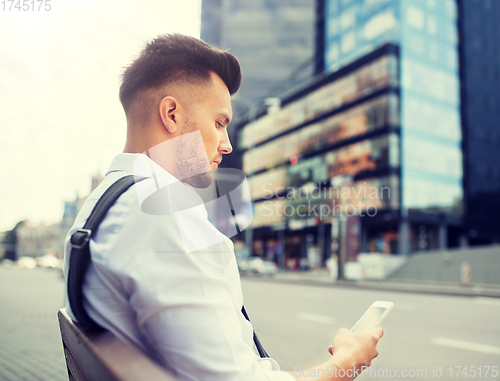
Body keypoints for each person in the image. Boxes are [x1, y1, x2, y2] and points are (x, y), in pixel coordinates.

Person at [63, 34, 383, 381]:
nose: (227, 145)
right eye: (219, 123)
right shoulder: (165, 214)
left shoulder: (101, 203)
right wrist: (346, 364)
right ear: (171, 114)